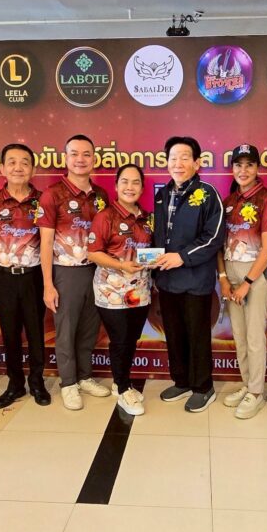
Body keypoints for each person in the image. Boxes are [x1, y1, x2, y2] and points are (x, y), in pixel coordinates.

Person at [38, 134, 112, 410]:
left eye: (86, 154)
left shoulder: (101, 196)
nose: (81, 159)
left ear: (94, 159)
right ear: (65, 158)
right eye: (74, 154)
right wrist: (48, 284)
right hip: (66, 272)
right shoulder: (52, 194)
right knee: (66, 330)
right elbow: (45, 242)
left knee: (90, 328)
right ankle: (68, 383)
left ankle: (84, 376)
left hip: (98, 271)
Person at [152, 136, 226, 413]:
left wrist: (181, 257)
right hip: (167, 280)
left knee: (197, 335)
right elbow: (158, 235)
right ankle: (181, 381)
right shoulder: (162, 195)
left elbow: (213, 238)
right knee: (173, 334)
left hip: (196, 281)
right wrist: (153, 267)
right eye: (173, 158)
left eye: (185, 158)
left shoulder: (207, 194)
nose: (178, 163)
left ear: (197, 163)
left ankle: (203, 387)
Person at [0, 144, 51, 408]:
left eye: (24, 162)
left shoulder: (43, 201)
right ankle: (15, 384)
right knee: (9, 332)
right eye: (11, 162)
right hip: (3, 278)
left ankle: (37, 382)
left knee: (35, 331)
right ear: (2, 168)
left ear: (33, 169)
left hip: (33, 276)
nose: (18, 167)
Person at [217, 144, 267, 419]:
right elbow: (219, 245)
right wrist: (223, 278)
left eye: (249, 165)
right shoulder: (228, 201)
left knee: (254, 336)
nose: (243, 170)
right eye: (238, 165)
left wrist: (247, 282)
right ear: (232, 168)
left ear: (257, 168)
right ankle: (248, 384)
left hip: (255, 275)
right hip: (230, 275)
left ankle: (256, 392)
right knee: (240, 336)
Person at [87, 164, 154, 416]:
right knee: (120, 339)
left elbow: (149, 252)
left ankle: (119, 382)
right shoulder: (105, 216)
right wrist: (120, 265)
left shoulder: (147, 218)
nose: (130, 187)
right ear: (116, 186)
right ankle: (124, 389)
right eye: (124, 181)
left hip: (140, 292)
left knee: (131, 339)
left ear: (142, 188)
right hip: (112, 292)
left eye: (135, 182)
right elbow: (93, 253)